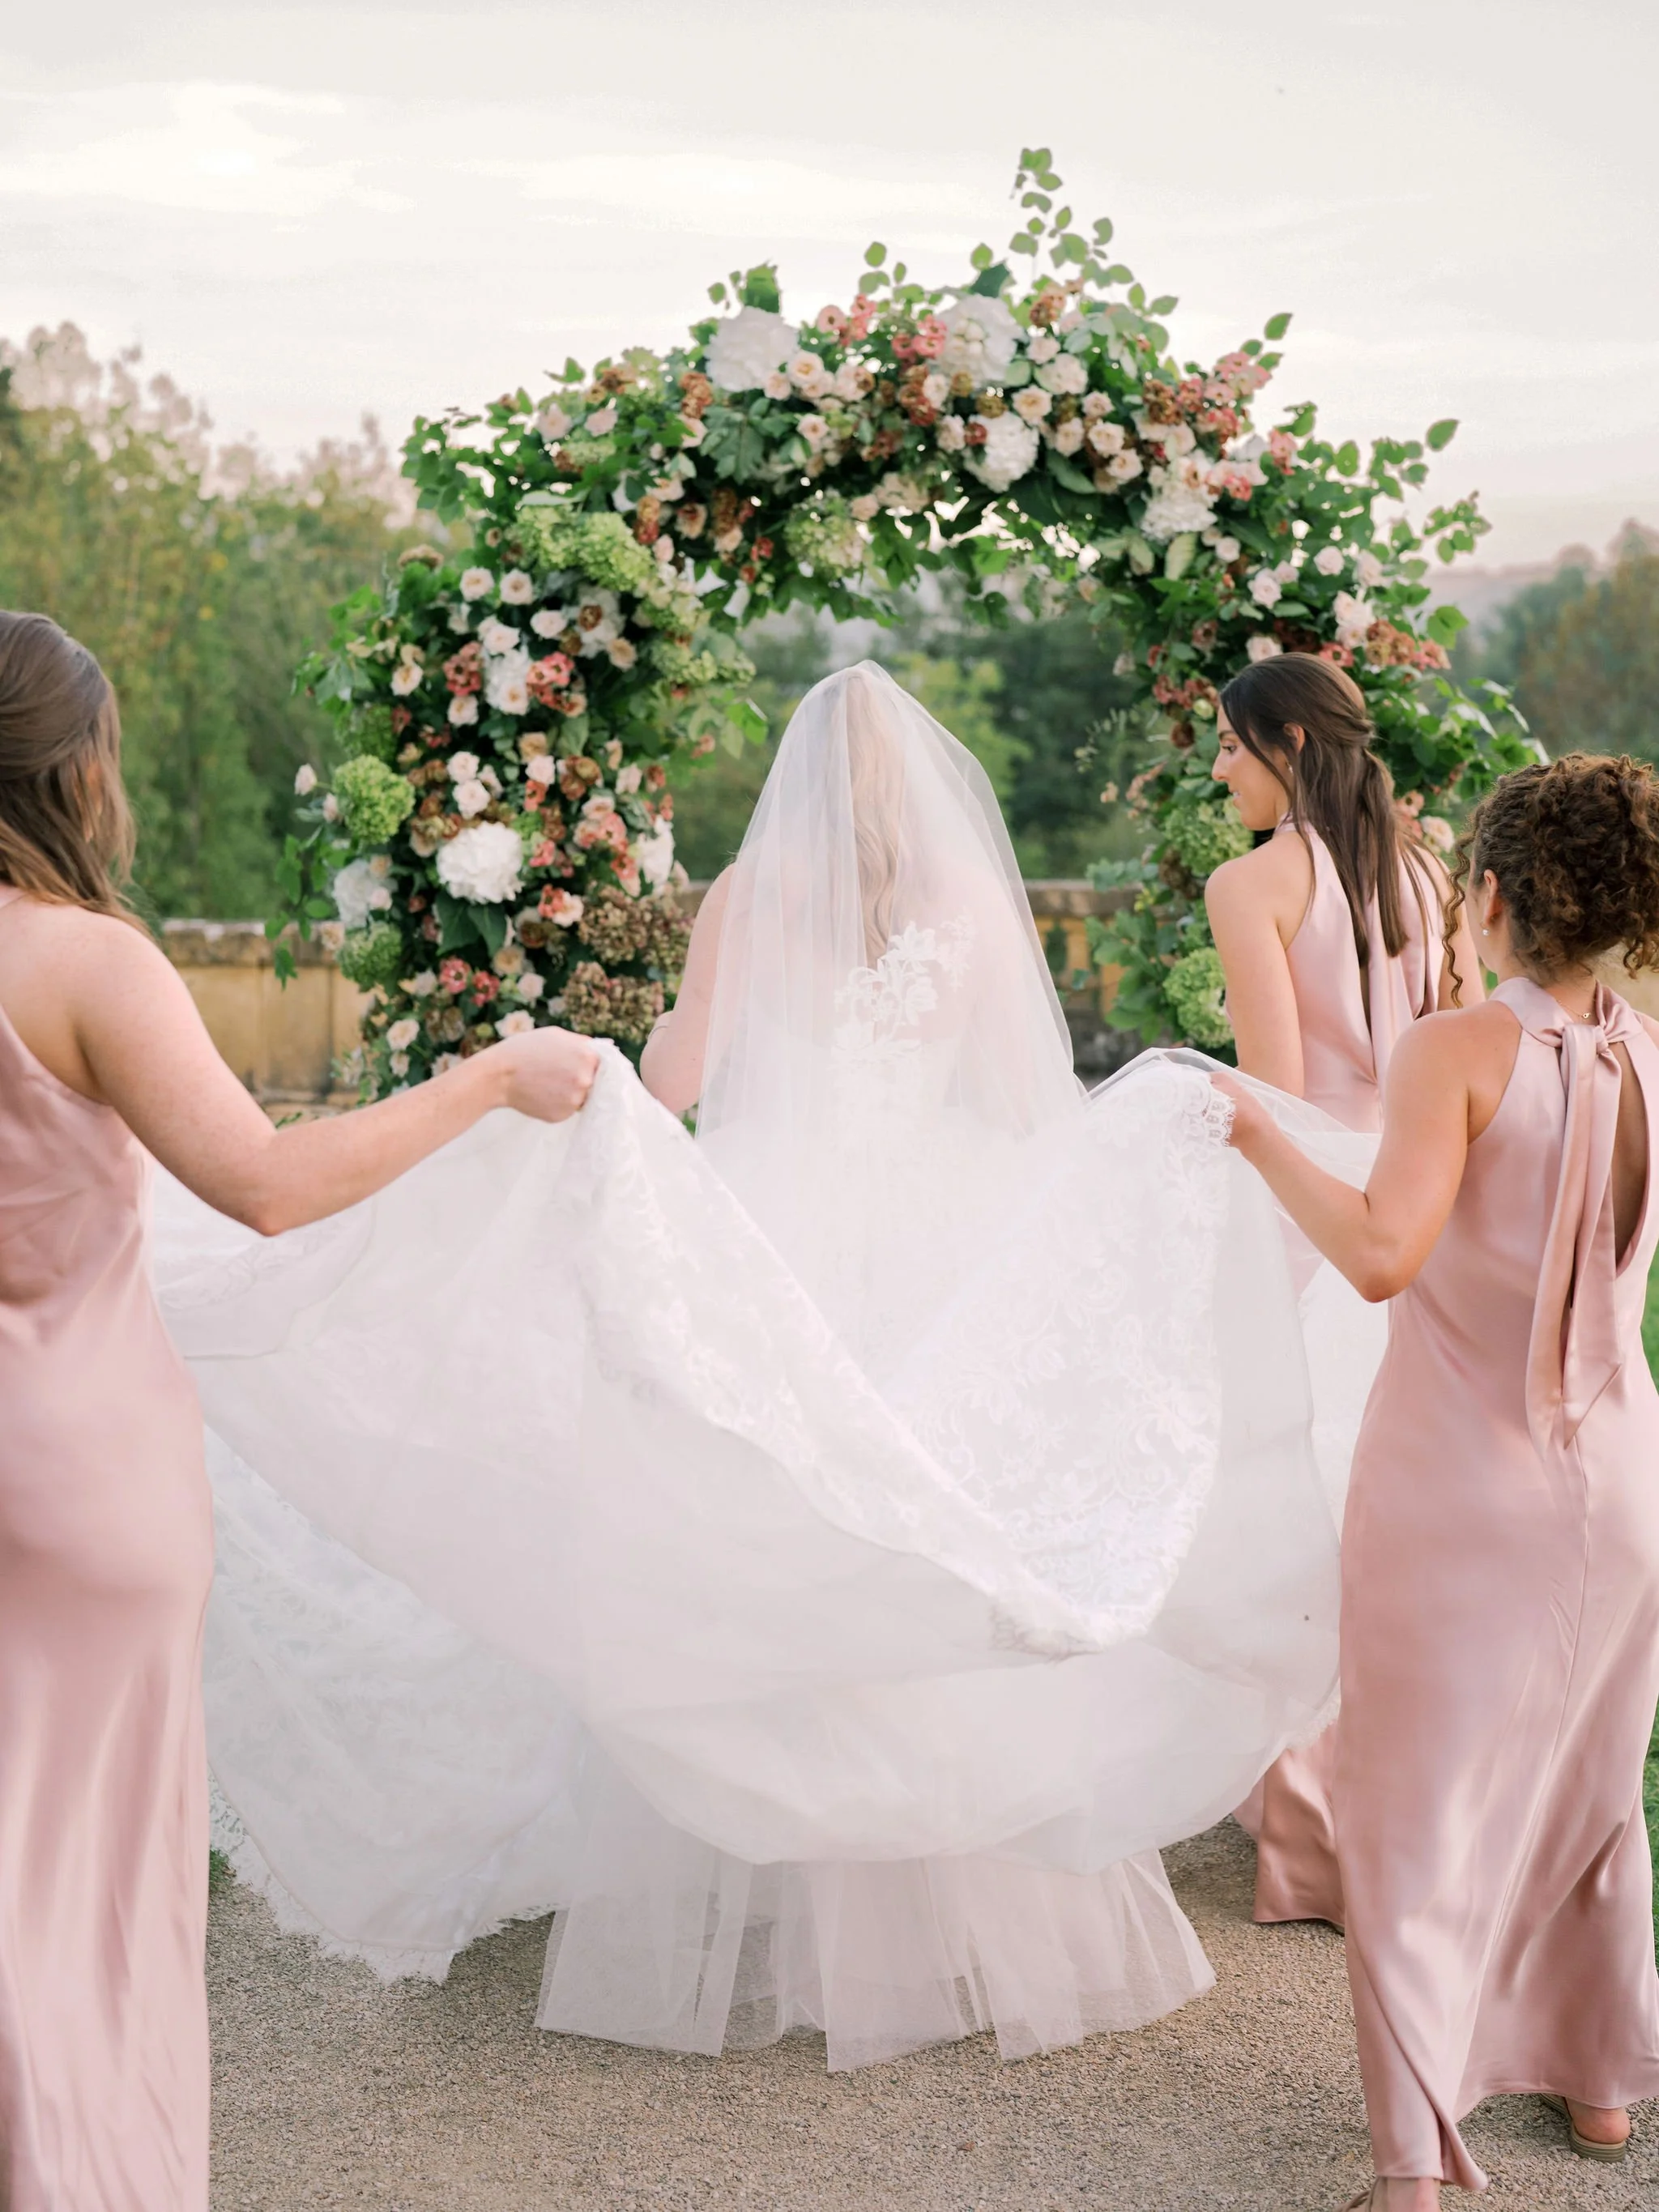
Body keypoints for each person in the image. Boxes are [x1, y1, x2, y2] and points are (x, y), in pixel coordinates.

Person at [153, 661, 1367, 2073]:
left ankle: (768, 1890)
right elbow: (1015, 1090)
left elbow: (672, 1079)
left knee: (771, 1532)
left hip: (773, 1231)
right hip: (944, 1226)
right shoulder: (971, 902)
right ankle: (960, 1908)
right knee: (926, 1535)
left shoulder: (747, 894)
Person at [0, 609, 598, 2212]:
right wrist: (490, 1078)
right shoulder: (85, 961)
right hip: (81, 1481)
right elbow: (264, 1183)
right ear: (75, 768)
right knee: (79, 1891)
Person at [1217, 752, 1659, 2206]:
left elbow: (1378, 1255)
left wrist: (1257, 1135)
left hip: (1462, 1493)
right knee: (1591, 1793)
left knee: (1411, 1816)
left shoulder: (1454, 1050)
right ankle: (1601, 2087)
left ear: (1494, 894)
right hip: (1625, 1482)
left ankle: (1414, 2166)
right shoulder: (1651, 1053)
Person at [1204, 653, 1480, 1930]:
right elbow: (1462, 1035)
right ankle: (1420, 1813)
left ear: (1292, 746)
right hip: (1427, 1203)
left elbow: (1276, 1089)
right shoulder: (1433, 870)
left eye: (1231, 746)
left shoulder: (1252, 885)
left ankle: (1313, 1834)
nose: (1222, 772)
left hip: (1315, 1213)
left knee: (1292, 1502)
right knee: (1404, 1510)